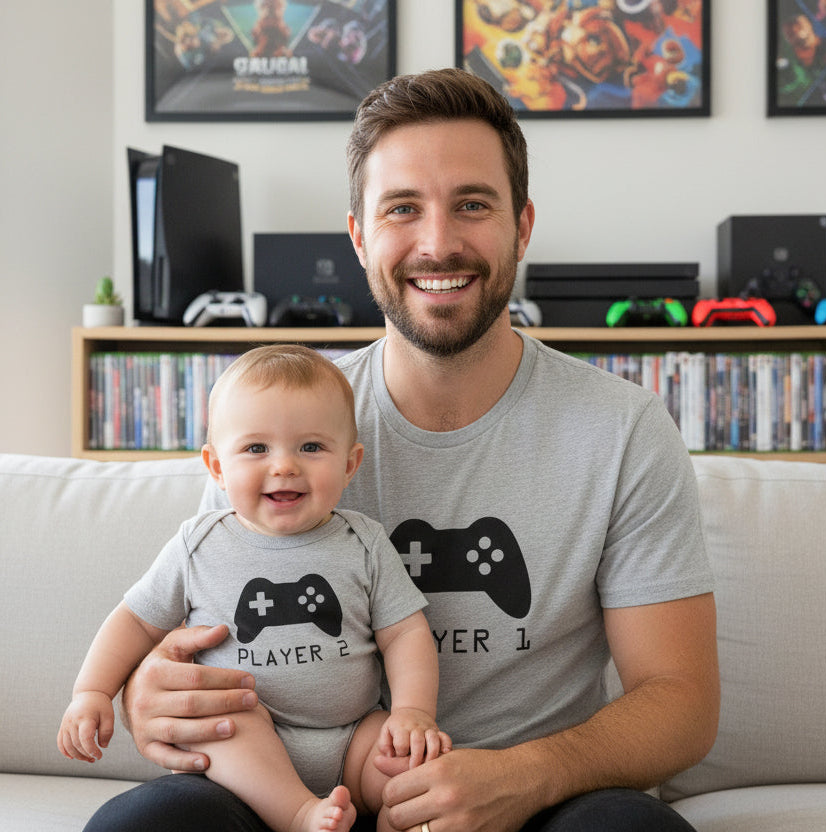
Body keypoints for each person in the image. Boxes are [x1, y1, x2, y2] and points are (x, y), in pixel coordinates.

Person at [84, 67, 719, 832]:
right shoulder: (276, 425)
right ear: (359, 235)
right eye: (402, 208)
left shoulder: (624, 430)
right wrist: (144, 693)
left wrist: (523, 777)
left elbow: (682, 704)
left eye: (472, 204)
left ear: (522, 227)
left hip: (539, 804)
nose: (438, 244)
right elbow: (185, 630)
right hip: (312, 801)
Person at [63, 344, 450, 832]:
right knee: (227, 724)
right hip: (243, 733)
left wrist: (412, 713)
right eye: (256, 449)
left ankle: (396, 821)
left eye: (311, 447)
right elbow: (136, 621)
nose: (284, 466)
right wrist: (92, 691)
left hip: (353, 733)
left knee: (412, 770)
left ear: (350, 464)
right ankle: (300, 815)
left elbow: (406, 633)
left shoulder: (365, 543)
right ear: (216, 467)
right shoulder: (197, 544)